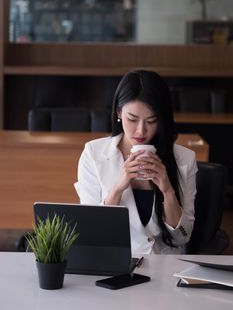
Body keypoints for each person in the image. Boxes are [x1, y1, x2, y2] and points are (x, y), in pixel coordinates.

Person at [74, 70, 197, 254]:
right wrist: (117, 188)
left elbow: (182, 237)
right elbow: (92, 232)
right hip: (114, 263)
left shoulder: (185, 159)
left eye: (151, 121)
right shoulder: (93, 154)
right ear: (118, 113)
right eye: (132, 119)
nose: (141, 131)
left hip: (164, 269)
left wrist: (167, 190)